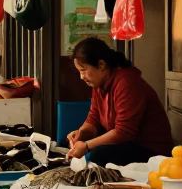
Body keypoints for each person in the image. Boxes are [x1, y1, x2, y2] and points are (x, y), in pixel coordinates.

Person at [67, 37, 173, 166]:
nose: (81, 77)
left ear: (101, 65)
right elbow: (93, 118)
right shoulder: (99, 85)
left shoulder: (127, 82)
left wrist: (86, 145)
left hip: (150, 151)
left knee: (98, 155)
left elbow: (124, 132)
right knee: (67, 144)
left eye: (83, 70)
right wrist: (81, 134)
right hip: (126, 145)